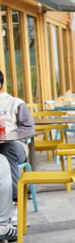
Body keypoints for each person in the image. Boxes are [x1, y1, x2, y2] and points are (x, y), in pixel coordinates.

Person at [0, 71, 34, 205]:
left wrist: (7, 135)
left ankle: (15, 202)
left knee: (6, 149)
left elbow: (28, 128)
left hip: (15, 146)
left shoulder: (15, 103)